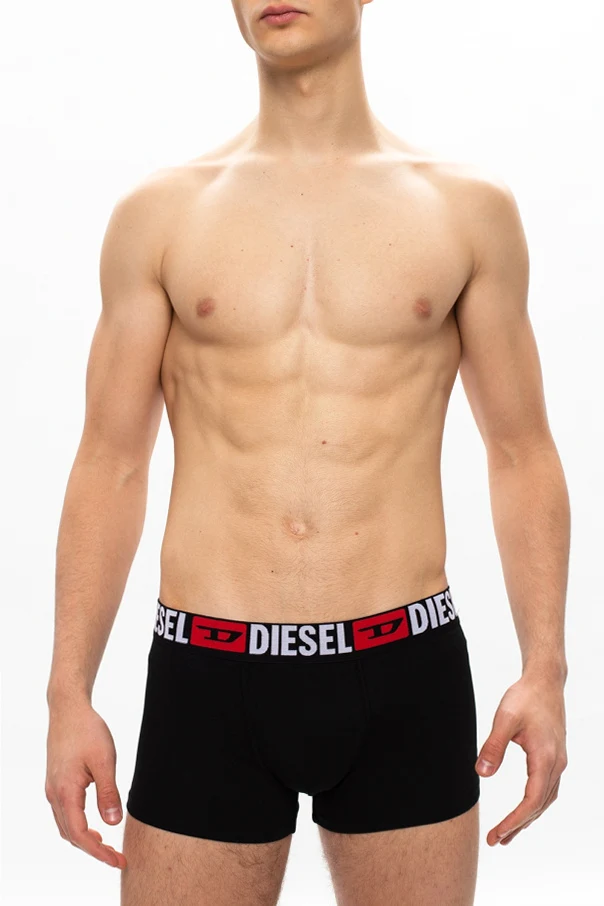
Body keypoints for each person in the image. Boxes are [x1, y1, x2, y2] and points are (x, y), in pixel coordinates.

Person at [44, 2, 570, 904]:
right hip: (208, 674)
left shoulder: (465, 211)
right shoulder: (161, 215)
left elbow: (521, 451)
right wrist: (68, 693)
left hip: (404, 666)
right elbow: (110, 461)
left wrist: (545, 668)